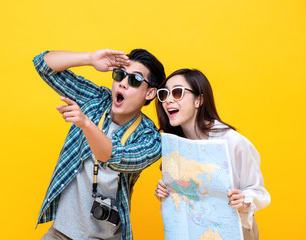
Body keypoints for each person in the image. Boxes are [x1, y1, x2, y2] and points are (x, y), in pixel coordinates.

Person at [33, 48, 165, 240]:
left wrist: (86, 124)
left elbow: (111, 156)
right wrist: (89, 58)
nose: (123, 83)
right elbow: (43, 64)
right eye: (120, 74)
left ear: (150, 93)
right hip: (59, 232)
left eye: (135, 80)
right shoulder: (96, 100)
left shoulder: (149, 138)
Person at [154, 69, 271, 240]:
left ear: (199, 100)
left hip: (234, 233)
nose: (168, 99)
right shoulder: (174, 147)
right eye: (164, 94)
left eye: (177, 92)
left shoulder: (232, 141)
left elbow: (258, 191)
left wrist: (244, 199)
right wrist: (166, 193)